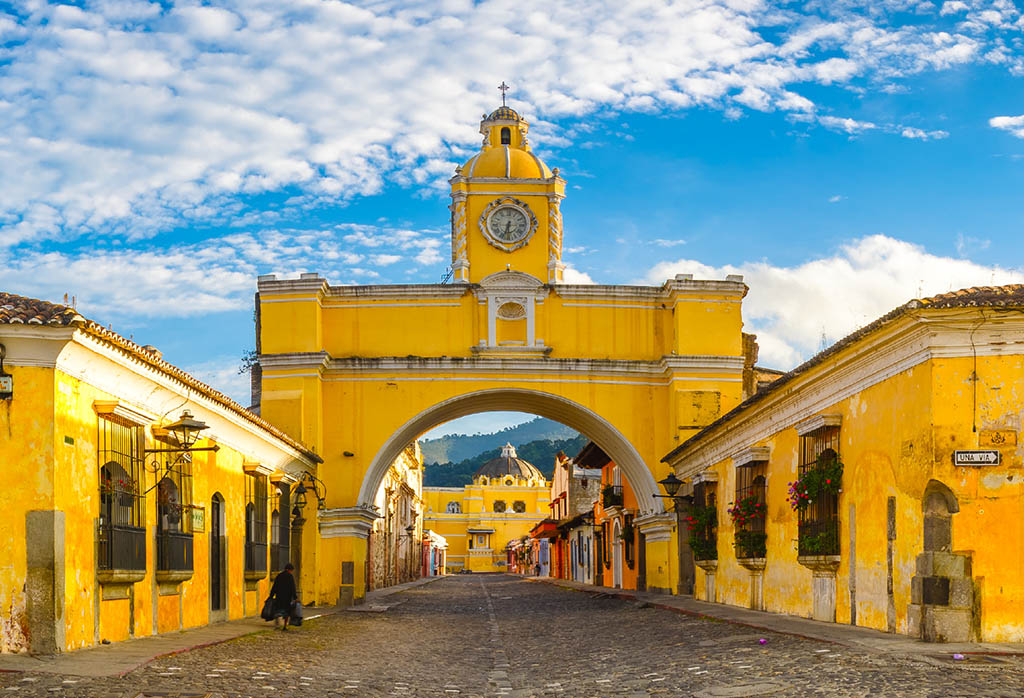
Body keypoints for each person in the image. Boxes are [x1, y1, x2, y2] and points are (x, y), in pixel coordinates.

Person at [269, 563, 298, 630]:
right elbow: (292, 588)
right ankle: (285, 626)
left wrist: (271, 595)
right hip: (287, 598)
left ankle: (277, 624)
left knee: (278, 610)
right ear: (289, 570)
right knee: (287, 612)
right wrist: (295, 597)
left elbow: (274, 586)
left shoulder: (279, 576)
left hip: (279, 596)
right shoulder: (290, 577)